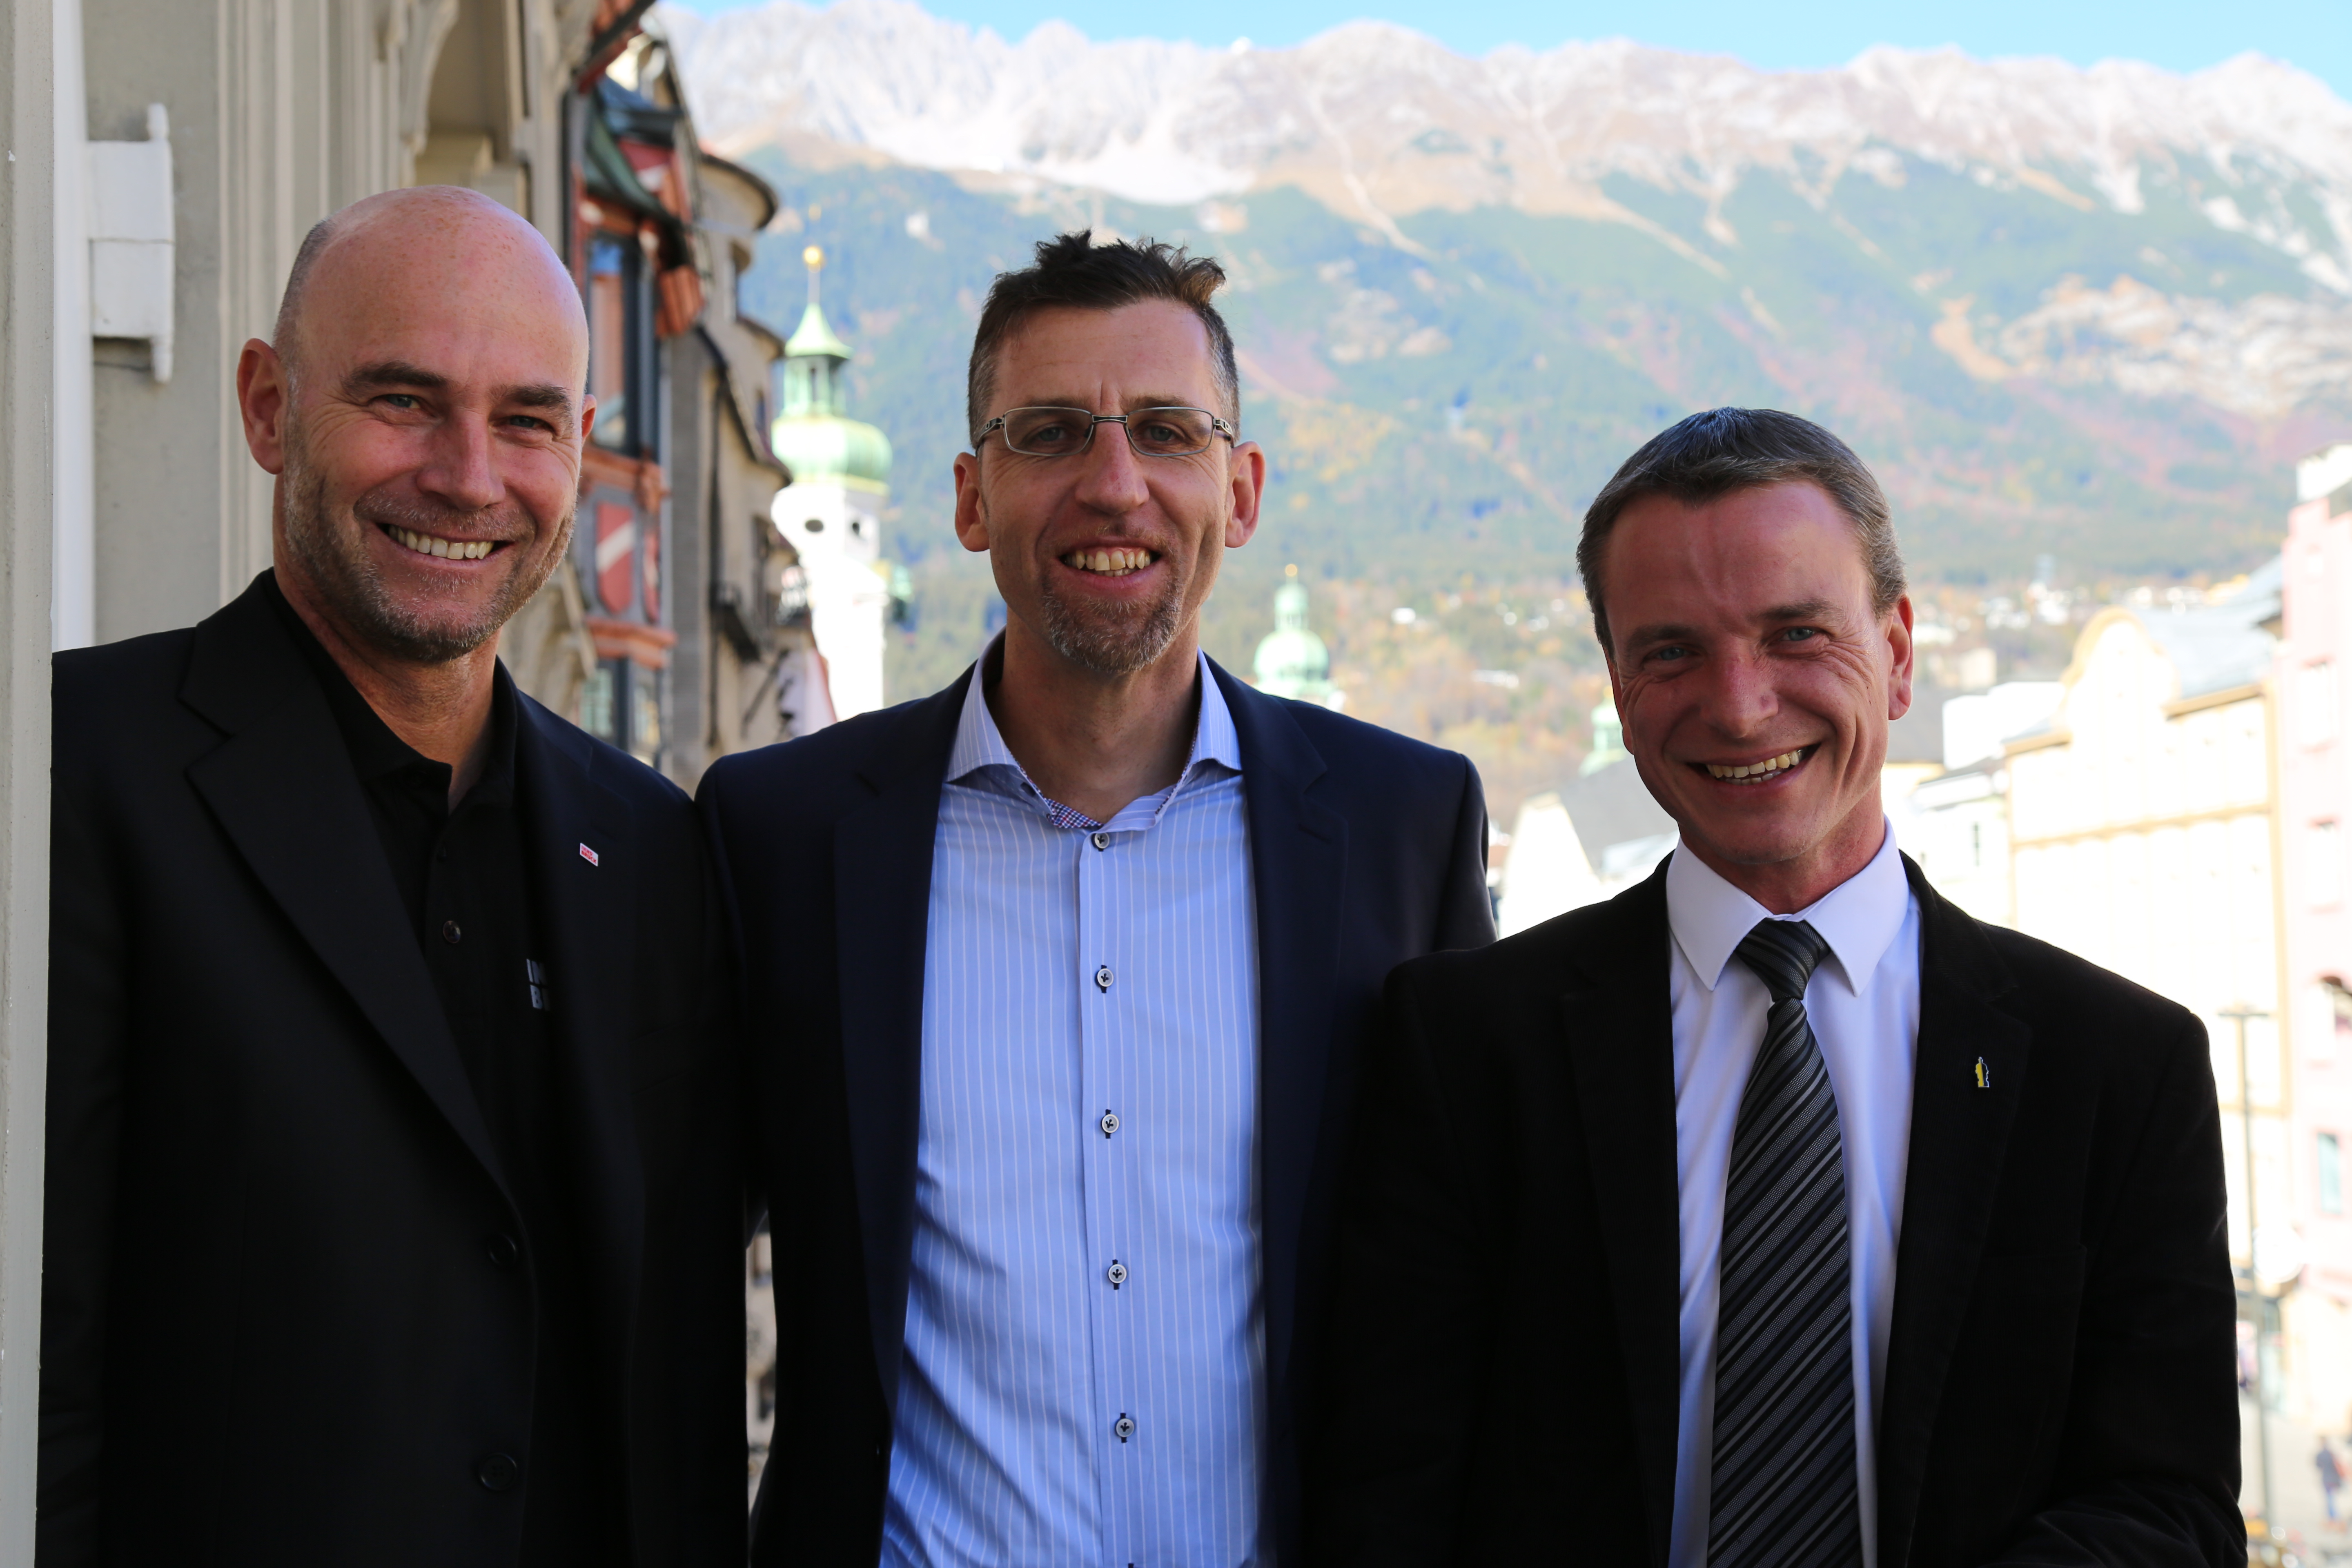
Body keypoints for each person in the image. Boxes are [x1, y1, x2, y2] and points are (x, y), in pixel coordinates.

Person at [1308, 408, 2243, 1566]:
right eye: (1672, 650)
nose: (1740, 704)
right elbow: (1386, 1498)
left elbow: (2172, 1508)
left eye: (1796, 634)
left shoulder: (2117, 1067)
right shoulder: (1466, 1047)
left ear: (1899, 654)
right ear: (1616, 684)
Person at [699, 232, 1494, 1566]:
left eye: (1169, 434)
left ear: (1239, 491)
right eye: (1054, 432)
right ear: (970, 496)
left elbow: (1467, 1282)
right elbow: (658, 1264)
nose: (1114, 485)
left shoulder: (1400, 828)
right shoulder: (781, 837)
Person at [40, 187, 743, 1567]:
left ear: (582, 449)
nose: (471, 476)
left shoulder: (653, 847)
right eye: (404, 400)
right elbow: (38, 1354)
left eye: (528, 419)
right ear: (267, 408)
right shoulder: (72, 772)